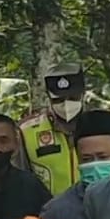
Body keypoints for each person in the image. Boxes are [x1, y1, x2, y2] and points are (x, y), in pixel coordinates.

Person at [18, 63, 87, 195]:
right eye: (58, 100)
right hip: (46, 212)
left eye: (73, 98)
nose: (66, 104)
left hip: (94, 210)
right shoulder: (27, 131)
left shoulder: (101, 125)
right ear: (49, 97)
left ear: (83, 93)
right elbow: (19, 178)